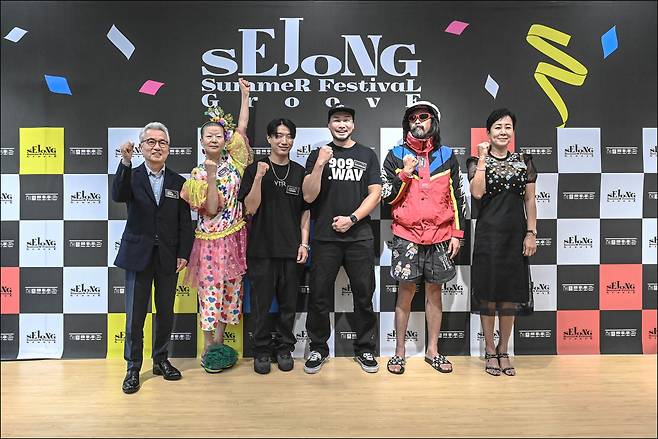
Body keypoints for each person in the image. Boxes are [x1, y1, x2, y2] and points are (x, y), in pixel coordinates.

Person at [381, 101, 465, 375]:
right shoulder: (395, 155)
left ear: (433, 121)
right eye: (412, 118)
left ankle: (433, 351)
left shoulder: (447, 155)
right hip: (407, 236)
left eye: (423, 117)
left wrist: (457, 233)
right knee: (405, 293)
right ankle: (399, 352)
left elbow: (457, 198)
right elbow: (388, 198)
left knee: (434, 293)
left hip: (440, 236)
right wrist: (405, 173)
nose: (418, 121)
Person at [113, 122, 194, 394]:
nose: (157, 146)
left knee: (165, 313)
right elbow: (118, 195)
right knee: (135, 315)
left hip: (169, 258)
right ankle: (133, 367)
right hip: (138, 255)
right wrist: (124, 162)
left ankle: (161, 360)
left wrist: (184, 253)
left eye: (162, 142)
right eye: (151, 142)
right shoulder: (131, 175)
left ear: (169, 149)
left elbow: (185, 223)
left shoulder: (178, 182)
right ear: (141, 147)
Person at [180, 78, 253, 373]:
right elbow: (210, 208)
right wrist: (210, 176)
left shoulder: (235, 163)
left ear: (225, 141)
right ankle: (208, 346)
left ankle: (221, 344)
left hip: (236, 237)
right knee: (209, 292)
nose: (214, 139)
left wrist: (245, 96)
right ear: (201, 141)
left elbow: (243, 129)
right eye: (208, 136)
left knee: (230, 292)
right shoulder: (197, 173)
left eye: (218, 135)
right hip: (210, 243)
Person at [302, 105, 382, 374]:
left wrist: (352, 219)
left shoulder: (367, 155)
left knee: (363, 296)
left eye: (346, 120)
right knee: (319, 296)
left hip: (359, 237)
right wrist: (321, 163)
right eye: (336, 120)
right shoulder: (317, 154)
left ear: (353, 125)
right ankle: (317, 348)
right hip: (325, 237)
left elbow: (375, 194)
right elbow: (309, 196)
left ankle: (365, 349)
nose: (342, 124)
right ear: (329, 125)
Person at [467, 108, 537, 376]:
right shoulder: (475, 161)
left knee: (508, 299)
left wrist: (531, 233)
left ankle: (504, 350)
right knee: (488, 297)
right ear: (488, 132)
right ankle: (489, 351)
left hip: (514, 237)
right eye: (498, 127)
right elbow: (476, 193)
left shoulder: (524, 161)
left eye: (508, 126)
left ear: (513, 132)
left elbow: (530, 200)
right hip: (488, 237)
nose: (503, 131)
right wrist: (483, 158)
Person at [238, 118, 310, 374]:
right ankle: (261, 350)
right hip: (261, 250)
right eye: (278, 135)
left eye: (288, 136)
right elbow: (251, 208)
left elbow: (305, 212)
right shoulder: (253, 169)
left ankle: (283, 348)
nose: (284, 141)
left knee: (289, 305)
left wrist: (304, 243)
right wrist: (258, 177)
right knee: (260, 305)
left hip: (291, 251)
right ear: (269, 138)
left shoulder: (300, 172)